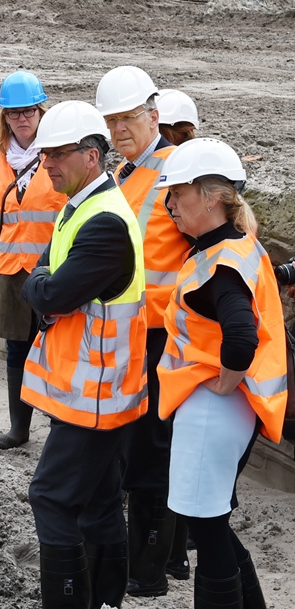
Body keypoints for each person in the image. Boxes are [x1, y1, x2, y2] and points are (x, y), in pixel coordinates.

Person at [20, 101, 147, 609]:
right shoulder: (83, 206)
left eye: (56, 154)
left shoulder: (104, 223)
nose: (46, 164)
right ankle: (105, 599)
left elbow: (47, 291)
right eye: (43, 154)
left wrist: (45, 288)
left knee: (50, 497)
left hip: (95, 397)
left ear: (91, 156)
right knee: (96, 504)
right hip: (95, 392)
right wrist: (46, 283)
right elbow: (46, 275)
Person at [154, 138, 287, 609]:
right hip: (229, 411)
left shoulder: (220, 264)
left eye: (178, 194)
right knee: (212, 523)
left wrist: (226, 380)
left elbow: (241, 336)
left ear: (211, 197)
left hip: (215, 408)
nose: (169, 204)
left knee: (206, 530)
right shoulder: (233, 245)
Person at [95, 65, 189, 597]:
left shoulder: (176, 170)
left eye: (128, 118)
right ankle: (166, 559)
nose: (119, 131)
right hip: (131, 335)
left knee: (153, 452)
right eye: (111, 122)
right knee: (141, 449)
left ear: (154, 115)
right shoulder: (128, 175)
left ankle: (149, 571)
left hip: (162, 338)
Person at [0, 71, 66, 450]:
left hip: (49, 269)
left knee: (53, 350)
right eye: (14, 112)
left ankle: (58, 430)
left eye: (29, 111)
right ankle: (19, 429)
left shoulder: (57, 159)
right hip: (10, 268)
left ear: (41, 112)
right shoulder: (0, 159)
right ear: (5, 117)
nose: (22, 118)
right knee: (17, 349)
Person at [155, 86, 201, 581]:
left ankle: (173, 551)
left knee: (166, 449)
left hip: (173, 332)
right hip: (174, 330)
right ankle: (176, 547)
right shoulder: (183, 179)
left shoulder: (180, 186)